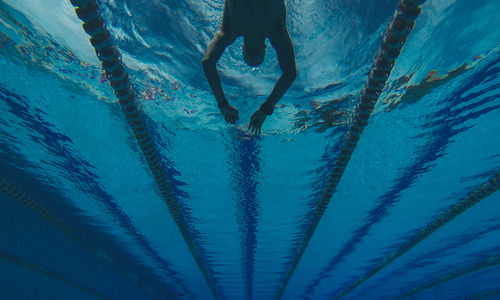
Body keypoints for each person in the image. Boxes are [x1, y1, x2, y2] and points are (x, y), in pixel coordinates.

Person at [202, 0, 297, 135]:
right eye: (258, 59)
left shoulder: (229, 30)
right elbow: (290, 73)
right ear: (265, 48)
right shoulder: (277, 32)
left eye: (250, 57)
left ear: (242, 48)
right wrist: (266, 109)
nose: (254, 57)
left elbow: (207, 62)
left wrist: (223, 104)